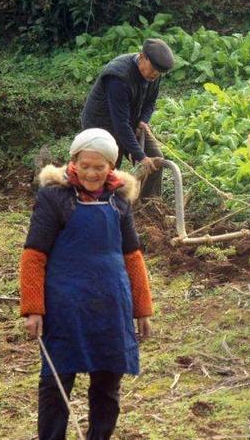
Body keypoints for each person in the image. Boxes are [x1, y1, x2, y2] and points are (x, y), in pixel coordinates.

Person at [19, 128, 154, 439]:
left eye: (100, 167)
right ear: (74, 162)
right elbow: (34, 255)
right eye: (86, 165)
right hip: (65, 304)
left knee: (108, 382)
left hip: (111, 302)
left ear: (111, 167)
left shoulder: (119, 201)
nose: (92, 173)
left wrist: (142, 308)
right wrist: (33, 308)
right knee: (57, 380)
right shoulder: (54, 198)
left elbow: (132, 255)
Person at [81, 38, 175, 199]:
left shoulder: (154, 73)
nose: (155, 75)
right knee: (107, 168)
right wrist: (140, 156)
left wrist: (143, 121)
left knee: (155, 161)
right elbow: (120, 125)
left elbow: (150, 102)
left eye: (158, 73)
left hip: (129, 122)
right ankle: (97, 205)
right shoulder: (119, 77)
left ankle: (148, 205)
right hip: (102, 127)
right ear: (142, 57)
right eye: (153, 69)